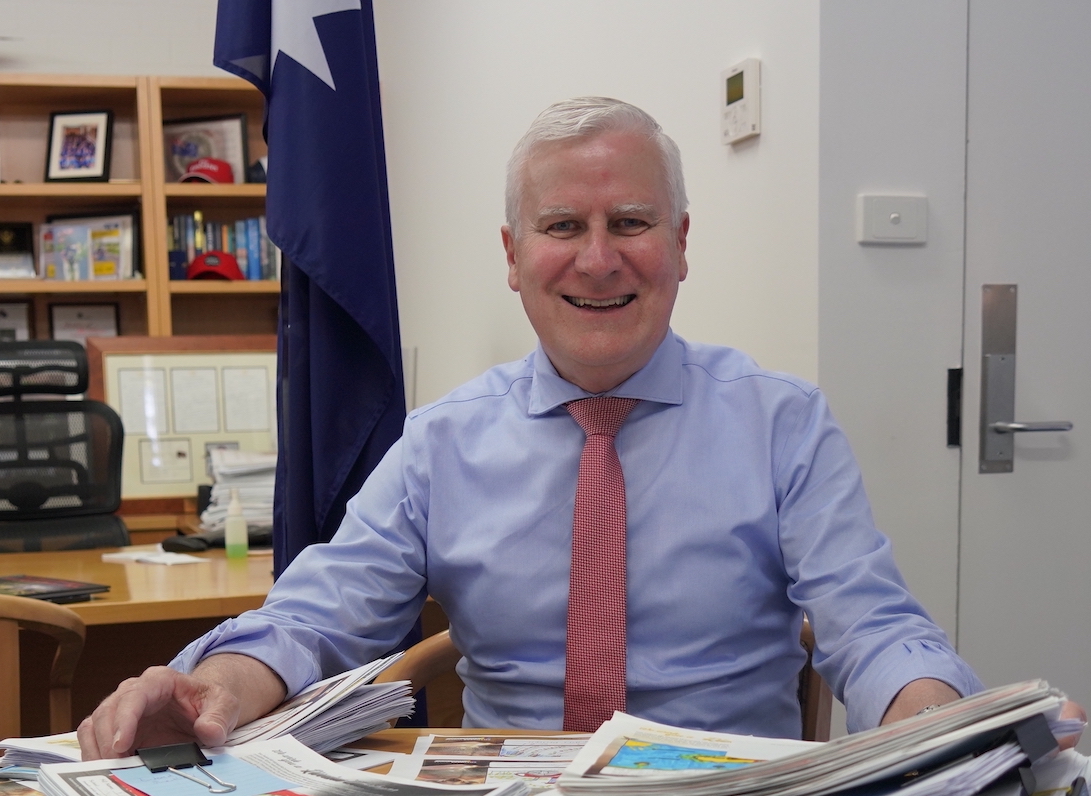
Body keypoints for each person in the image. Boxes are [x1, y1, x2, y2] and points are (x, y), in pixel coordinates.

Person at [78, 97, 1082, 760]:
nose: (598, 260)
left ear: (680, 245)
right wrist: (211, 688)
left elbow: (872, 631)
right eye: (562, 227)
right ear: (513, 257)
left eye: (630, 222)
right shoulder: (440, 442)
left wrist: (943, 724)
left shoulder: (782, 422)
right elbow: (316, 615)